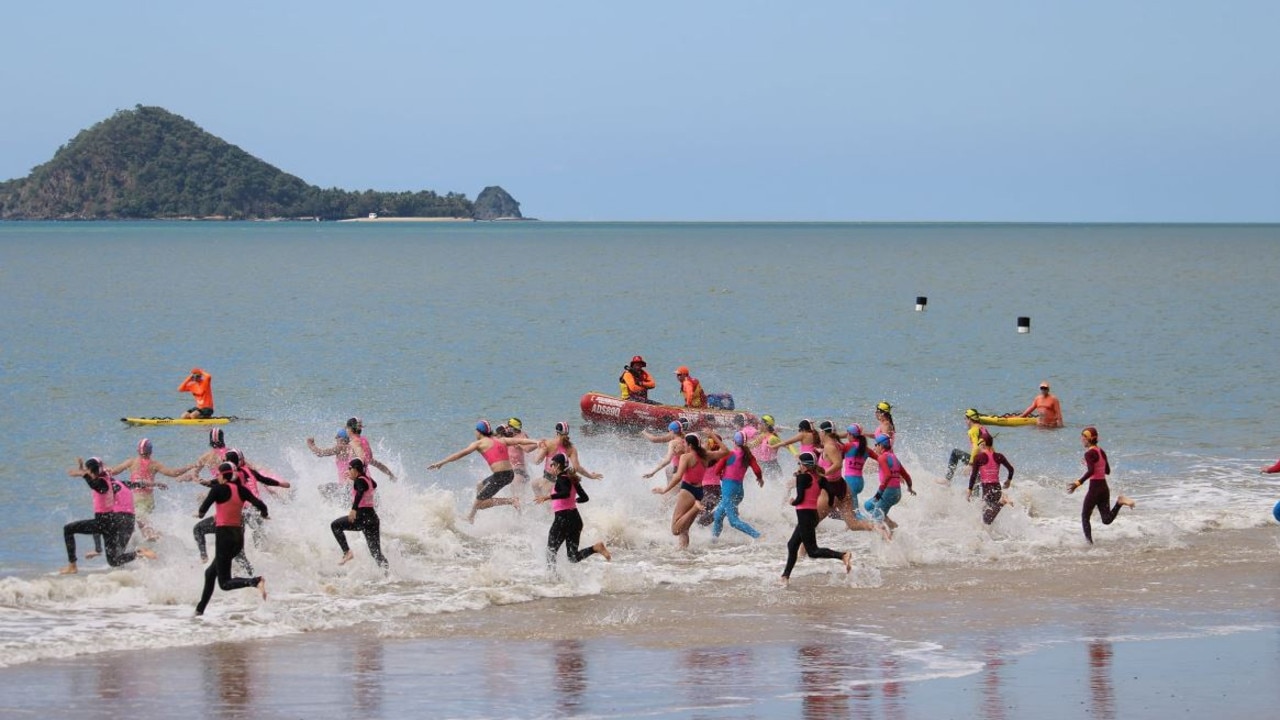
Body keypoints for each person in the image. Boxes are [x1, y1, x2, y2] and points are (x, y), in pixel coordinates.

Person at [194, 461, 268, 616]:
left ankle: (255, 581)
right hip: (237, 537)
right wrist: (265, 515)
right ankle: (199, 611)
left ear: (221, 476)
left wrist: (199, 514)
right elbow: (261, 505)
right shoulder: (241, 490)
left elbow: (203, 509)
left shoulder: (218, 489)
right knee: (210, 574)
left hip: (224, 537)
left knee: (225, 583)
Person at [428, 420, 538, 523]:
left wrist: (442, 462)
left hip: (501, 475)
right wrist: (537, 442)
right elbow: (521, 440)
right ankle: (471, 516)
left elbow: (460, 454)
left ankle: (511, 501)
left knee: (479, 504)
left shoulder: (479, 443)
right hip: (509, 474)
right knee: (480, 486)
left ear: (479, 432)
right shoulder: (501, 440)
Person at [60, 457, 157, 574]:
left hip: (104, 522)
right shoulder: (106, 478)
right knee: (114, 561)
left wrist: (84, 475)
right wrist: (84, 473)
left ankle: (72, 566)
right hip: (110, 523)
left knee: (68, 529)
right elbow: (97, 477)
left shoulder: (102, 482)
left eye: (88, 470)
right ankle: (138, 553)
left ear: (91, 471)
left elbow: (99, 487)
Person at [781, 452, 852, 587]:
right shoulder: (820, 478)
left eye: (799, 464)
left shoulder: (803, 478)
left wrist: (792, 502)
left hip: (805, 517)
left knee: (813, 551)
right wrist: (830, 505)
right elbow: (831, 494)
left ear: (804, 465)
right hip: (812, 516)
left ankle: (843, 555)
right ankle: (785, 577)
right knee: (792, 545)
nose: (798, 466)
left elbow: (800, 498)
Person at [652, 433, 729, 549]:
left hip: (688, 491)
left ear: (690, 445)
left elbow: (678, 477)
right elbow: (726, 451)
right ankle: (683, 553)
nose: (683, 444)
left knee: (675, 530)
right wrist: (712, 435)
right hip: (699, 492)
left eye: (685, 443)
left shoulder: (686, 457)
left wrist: (664, 490)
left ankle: (695, 507)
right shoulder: (706, 456)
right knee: (684, 530)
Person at [106, 438, 194, 541]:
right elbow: (173, 473)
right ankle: (157, 536)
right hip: (145, 499)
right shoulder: (153, 464)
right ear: (151, 451)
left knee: (140, 522)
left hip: (139, 499)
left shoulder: (132, 462)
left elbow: (113, 471)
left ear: (138, 451)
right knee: (138, 523)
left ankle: (154, 538)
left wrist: (97, 470)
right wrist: (189, 466)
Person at [536, 453, 612, 566]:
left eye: (552, 464)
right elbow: (585, 498)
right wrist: (574, 501)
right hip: (575, 520)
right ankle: (596, 548)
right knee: (572, 557)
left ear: (557, 465)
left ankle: (553, 580)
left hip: (563, 519)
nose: (550, 466)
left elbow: (565, 493)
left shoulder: (561, 478)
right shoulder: (572, 479)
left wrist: (548, 497)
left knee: (550, 552)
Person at [1067, 426, 1135, 543]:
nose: (1081, 440)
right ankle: (1119, 502)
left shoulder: (1089, 454)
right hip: (1104, 488)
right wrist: (1089, 465)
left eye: (1083, 437)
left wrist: (1077, 483)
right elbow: (1107, 471)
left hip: (1095, 489)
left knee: (1085, 517)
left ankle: (1089, 544)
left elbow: (1092, 471)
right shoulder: (1101, 451)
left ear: (1088, 439)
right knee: (1106, 520)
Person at [331, 458, 389, 568]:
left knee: (335, 525)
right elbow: (374, 485)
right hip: (373, 519)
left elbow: (360, 491)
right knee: (376, 553)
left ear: (355, 469)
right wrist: (356, 478)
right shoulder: (367, 479)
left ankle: (347, 552)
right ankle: (388, 574)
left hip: (362, 517)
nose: (348, 470)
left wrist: (354, 509)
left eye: (349, 468)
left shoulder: (359, 481)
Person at [709, 431, 764, 541]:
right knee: (718, 516)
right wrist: (759, 479)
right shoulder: (748, 456)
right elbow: (757, 470)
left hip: (728, 491)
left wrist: (722, 476)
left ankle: (758, 536)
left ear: (734, 441)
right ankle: (713, 541)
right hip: (739, 491)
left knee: (733, 521)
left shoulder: (728, 454)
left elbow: (716, 470)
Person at [531, 421, 603, 496]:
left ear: (557, 432)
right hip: (561, 482)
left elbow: (537, 461)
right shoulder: (571, 448)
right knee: (534, 484)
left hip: (548, 481)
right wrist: (590, 476)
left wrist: (539, 448)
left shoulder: (547, 443)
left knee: (536, 488)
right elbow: (577, 468)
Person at [966, 428, 1016, 525]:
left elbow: (974, 475)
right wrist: (1008, 481)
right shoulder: (999, 456)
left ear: (983, 444)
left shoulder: (978, 457)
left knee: (986, 519)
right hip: (997, 488)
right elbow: (1011, 469)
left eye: (979, 444)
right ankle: (990, 536)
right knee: (988, 515)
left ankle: (1003, 501)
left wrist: (969, 490)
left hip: (988, 489)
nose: (978, 446)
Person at [867, 434, 915, 531]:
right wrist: (910, 488)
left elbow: (888, 475)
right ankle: (891, 525)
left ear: (881, 446)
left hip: (888, 492)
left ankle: (889, 541)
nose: (874, 447)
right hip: (897, 493)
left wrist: (879, 493)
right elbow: (906, 475)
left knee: (876, 519)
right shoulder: (894, 457)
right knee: (869, 505)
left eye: (876, 445)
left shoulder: (882, 458)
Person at [307, 428, 356, 502]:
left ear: (342, 439)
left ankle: (331, 509)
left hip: (345, 485)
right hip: (352, 484)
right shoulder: (353, 448)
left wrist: (311, 444)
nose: (335, 438)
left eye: (337, 437)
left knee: (322, 489)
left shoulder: (340, 447)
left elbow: (320, 453)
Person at [946, 409, 985, 481]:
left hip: (979, 462)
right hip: (986, 462)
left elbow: (976, 448)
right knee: (977, 483)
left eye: (965, 419)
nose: (965, 422)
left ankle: (948, 479)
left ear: (969, 419)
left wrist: (970, 465)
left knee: (955, 452)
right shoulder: (982, 428)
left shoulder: (973, 430)